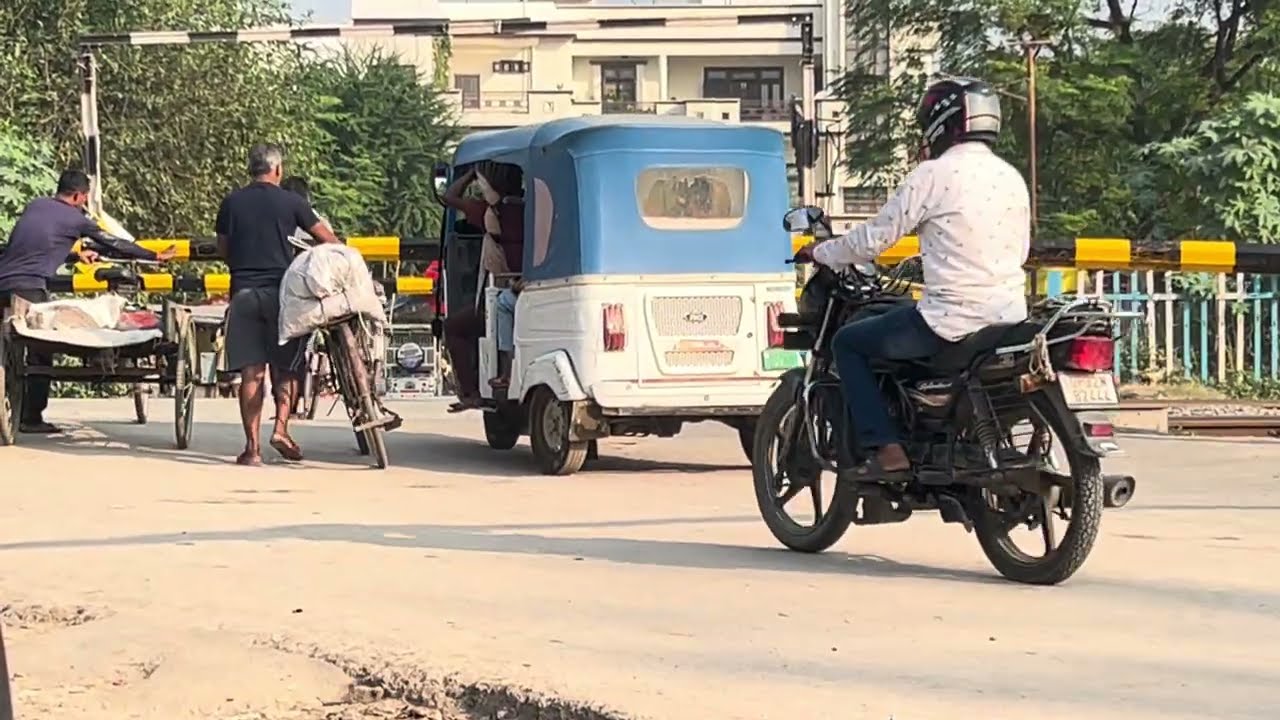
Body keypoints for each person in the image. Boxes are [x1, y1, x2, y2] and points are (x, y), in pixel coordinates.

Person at [799, 77, 1031, 480]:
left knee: (848, 343)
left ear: (943, 123)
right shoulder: (1011, 176)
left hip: (952, 321)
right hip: (1008, 317)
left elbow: (874, 240)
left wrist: (821, 252)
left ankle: (888, 451)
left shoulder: (934, 174)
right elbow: (1019, 249)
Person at [0, 169, 176, 433]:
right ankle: (31, 418)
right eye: (85, 198)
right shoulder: (75, 218)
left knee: (7, 348)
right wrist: (154, 256)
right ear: (78, 196)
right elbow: (114, 242)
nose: (84, 202)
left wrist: (76, 254)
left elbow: (39, 243)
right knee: (39, 352)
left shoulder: (36, 206)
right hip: (29, 287)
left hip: (2, 282)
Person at [216, 144, 339, 465]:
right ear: (278, 169)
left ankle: (252, 449)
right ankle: (281, 429)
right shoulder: (293, 202)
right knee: (287, 367)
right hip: (282, 296)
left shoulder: (231, 202)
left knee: (251, 373)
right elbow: (329, 241)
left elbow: (223, 249)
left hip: (243, 295)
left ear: (251, 169)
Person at [440, 162, 524, 411]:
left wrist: (470, 174)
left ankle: (471, 392)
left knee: (454, 327)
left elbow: (449, 197)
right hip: (530, 288)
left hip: (500, 291)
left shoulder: (489, 212)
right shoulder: (534, 208)